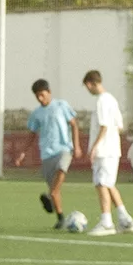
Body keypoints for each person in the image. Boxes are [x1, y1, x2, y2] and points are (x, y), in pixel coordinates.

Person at [81, 70, 133, 235]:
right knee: (109, 184)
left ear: (91, 83)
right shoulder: (112, 99)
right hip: (112, 149)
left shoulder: (102, 101)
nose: (88, 90)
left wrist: (94, 147)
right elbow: (119, 126)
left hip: (104, 151)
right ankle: (125, 220)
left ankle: (106, 223)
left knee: (102, 184)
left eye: (87, 86)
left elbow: (104, 126)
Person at [26, 78, 82, 228]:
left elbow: (74, 124)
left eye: (42, 95)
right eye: (37, 96)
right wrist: (23, 152)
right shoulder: (36, 114)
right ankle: (60, 218)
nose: (40, 98)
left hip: (64, 149)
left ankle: (50, 197)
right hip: (46, 154)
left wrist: (76, 146)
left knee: (60, 172)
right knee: (55, 190)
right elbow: (32, 133)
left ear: (49, 92)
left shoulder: (61, 105)